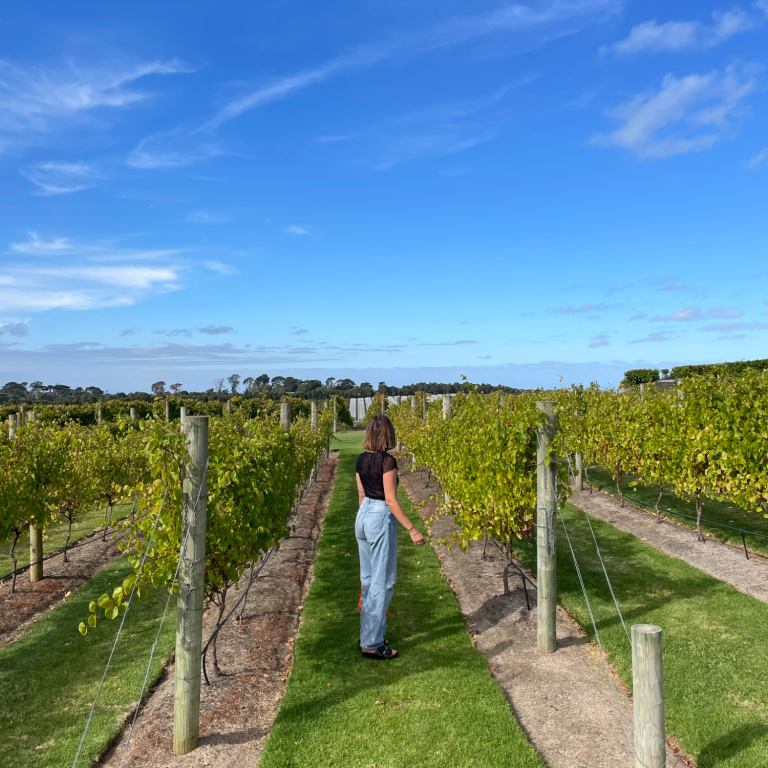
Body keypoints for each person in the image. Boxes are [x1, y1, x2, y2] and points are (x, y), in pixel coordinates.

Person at [355, 414, 425, 660]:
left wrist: (364, 522)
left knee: (368, 578)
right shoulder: (387, 461)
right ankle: (371, 643)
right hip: (379, 517)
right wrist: (412, 529)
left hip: (362, 517)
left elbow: (362, 495)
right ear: (388, 434)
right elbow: (391, 500)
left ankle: (368, 634)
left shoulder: (361, 460)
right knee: (383, 582)